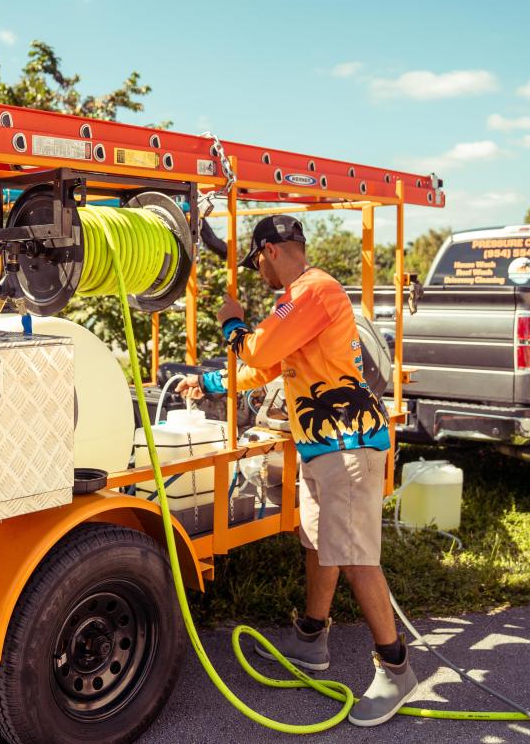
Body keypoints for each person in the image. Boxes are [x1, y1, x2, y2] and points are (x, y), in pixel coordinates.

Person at [177, 214, 417, 726]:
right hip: (321, 448)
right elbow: (262, 367)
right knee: (316, 542)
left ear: (269, 250)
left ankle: (395, 668)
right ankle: (311, 639)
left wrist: (232, 322)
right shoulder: (301, 302)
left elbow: (257, 346)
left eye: (255, 263)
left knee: (355, 557)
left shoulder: (313, 289)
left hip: (349, 446)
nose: (257, 274)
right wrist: (213, 384)